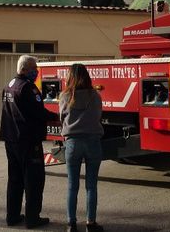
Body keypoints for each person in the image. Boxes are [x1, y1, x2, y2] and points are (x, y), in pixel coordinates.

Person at [0, 55, 59, 229]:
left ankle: (12, 216)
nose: (37, 72)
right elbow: (38, 112)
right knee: (34, 180)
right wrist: (56, 117)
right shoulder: (28, 88)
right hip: (28, 140)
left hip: (11, 139)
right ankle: (33, 218)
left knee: (15, 179)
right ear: (24, 69)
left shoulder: (8, 85)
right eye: (34, 69)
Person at [59, 63, 104, 232]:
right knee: (91, 185)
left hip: (72, 142)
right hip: (93, 141)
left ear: (70, 77)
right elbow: (99, 115)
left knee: (72, 185)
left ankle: (71, 224)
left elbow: (62, 118)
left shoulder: (65, 96)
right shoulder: (95, 96)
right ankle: (90, 223)